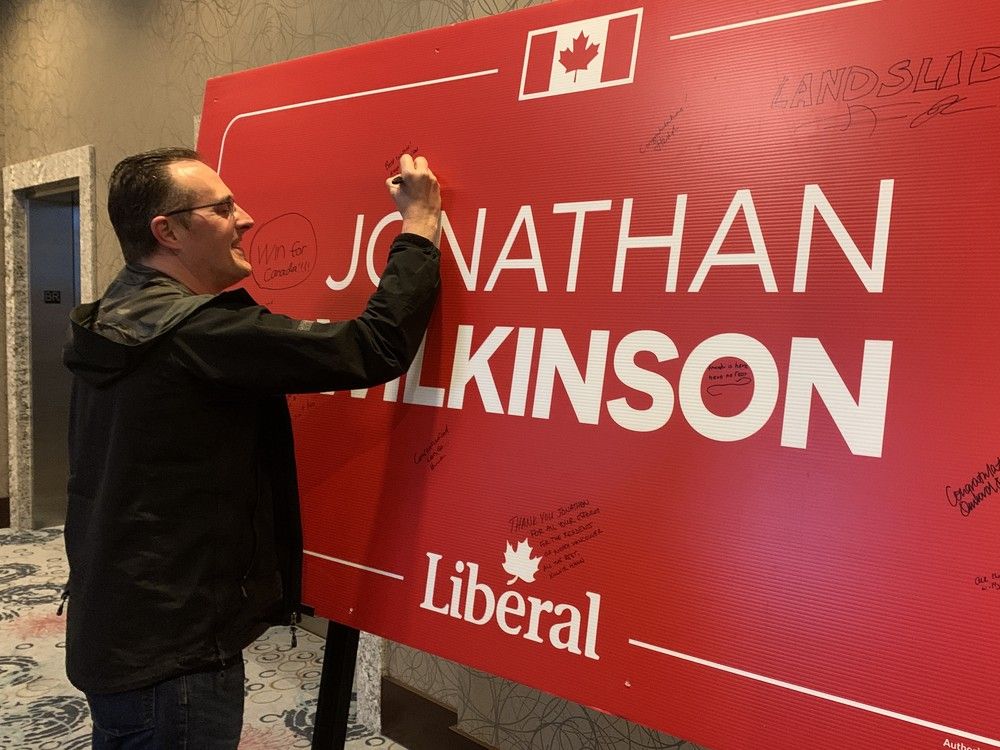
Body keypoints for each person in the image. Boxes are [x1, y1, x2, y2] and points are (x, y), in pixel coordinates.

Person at [61, 147, 441, 748]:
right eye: (222, 207)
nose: (246, 217)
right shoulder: (199, 333)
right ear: (168, 231)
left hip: (115, 623)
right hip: (175, 651)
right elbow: (373, 346)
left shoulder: (113, 312)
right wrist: (418, 228)